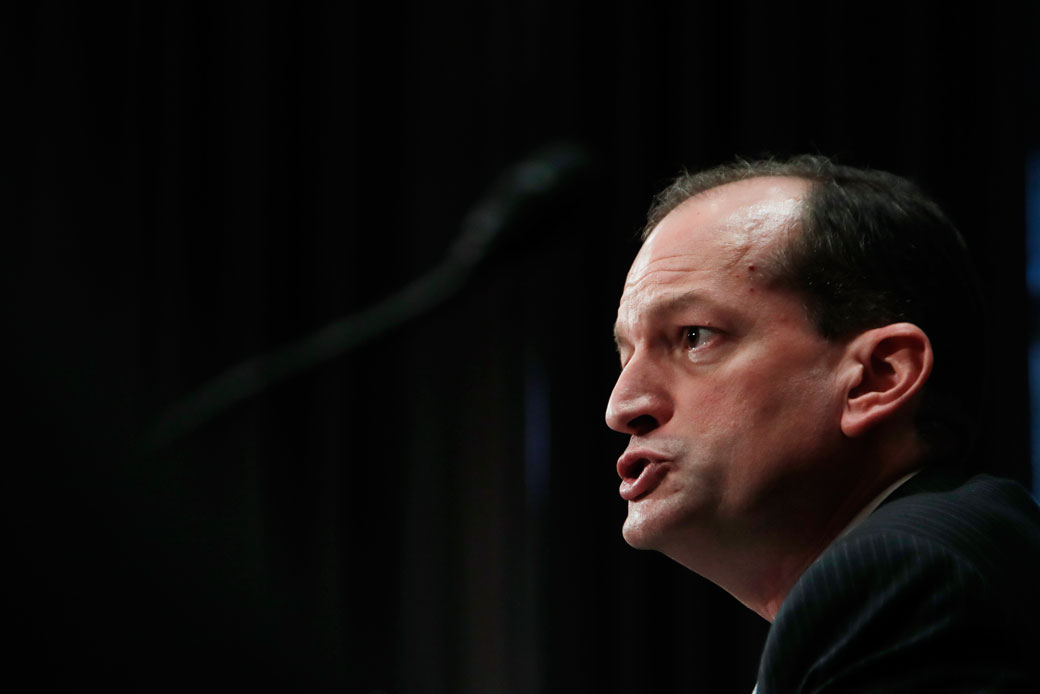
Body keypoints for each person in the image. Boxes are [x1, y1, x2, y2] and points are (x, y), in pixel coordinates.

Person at [606, 155, 1040, 692]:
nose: (623, 405)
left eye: (695, 336)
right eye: (626, 356)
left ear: (879, 377)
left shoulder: (904, 579)